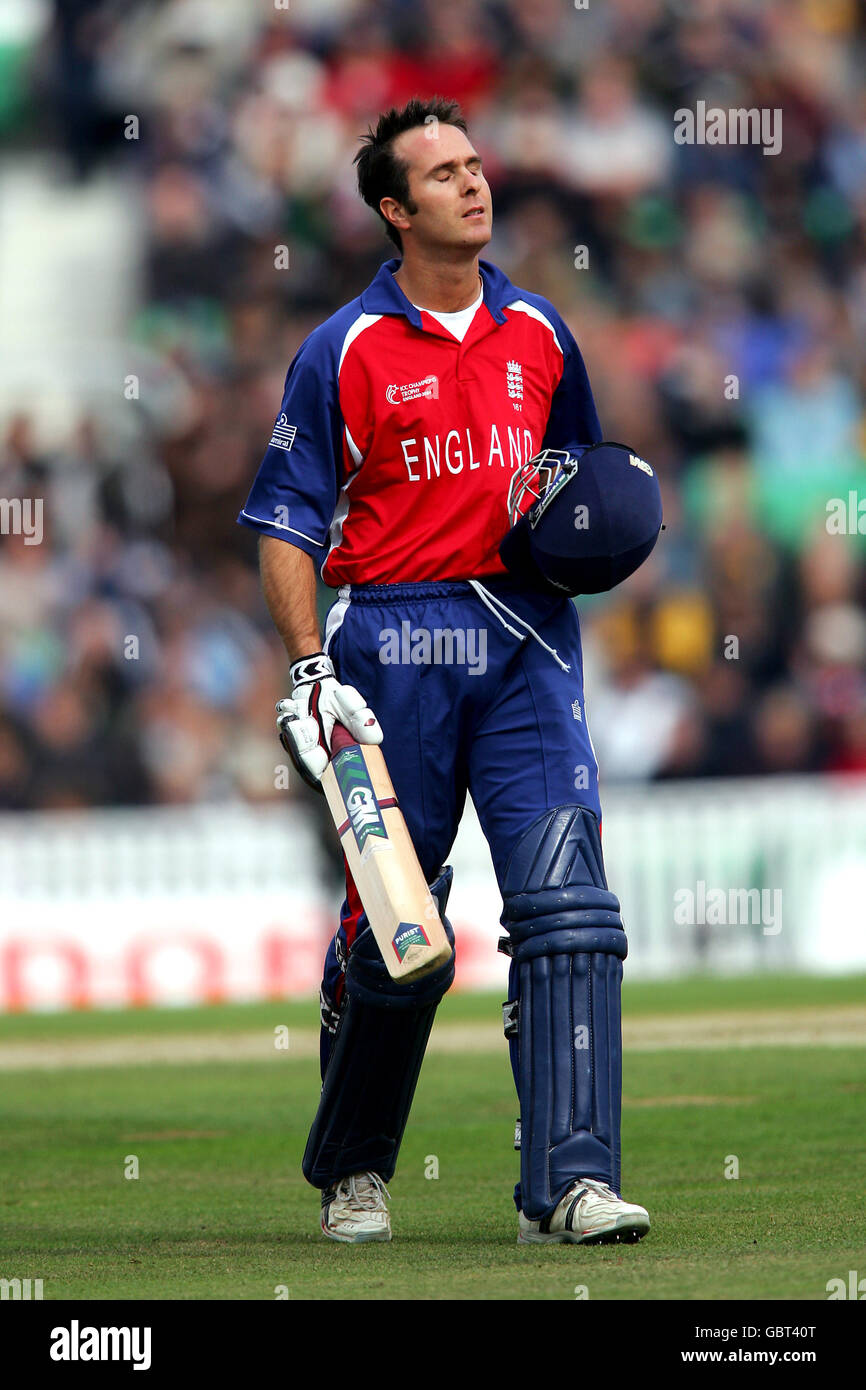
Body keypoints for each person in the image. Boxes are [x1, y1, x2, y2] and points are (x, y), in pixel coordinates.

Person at [237, 96, 650, 1246]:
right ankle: (356, 1171)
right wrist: (310, 669)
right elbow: (284, 524)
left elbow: (573, 486)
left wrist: (608, 526)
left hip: (523, 644)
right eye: (442, 173)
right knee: (396, 932)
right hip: (393, 649)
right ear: (392, 207)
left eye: (475, 164)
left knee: (569, 911)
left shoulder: (542, 333)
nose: (473, 184)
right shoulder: (343, 349)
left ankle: (568, 1185)